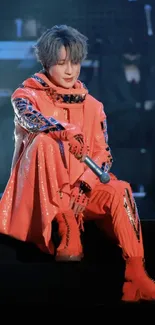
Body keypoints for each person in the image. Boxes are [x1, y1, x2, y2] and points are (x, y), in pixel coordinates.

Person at [0, 24, 155, 303]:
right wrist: (65, 131)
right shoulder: (26, 96)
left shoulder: (93, 105)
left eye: (75, 62)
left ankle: (136, 275)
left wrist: (85, 185)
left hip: (81, 193)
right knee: (45, 141)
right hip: (43, 196)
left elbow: (103, 154)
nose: (70, 71)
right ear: (47, 63)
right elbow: (30, 119)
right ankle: (65, 223)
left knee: (120, 189)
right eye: (61, 64)